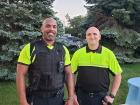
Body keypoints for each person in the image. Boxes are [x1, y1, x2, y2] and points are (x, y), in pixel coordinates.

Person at [16, 17, 75, 105]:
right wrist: (23, 101)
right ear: (42, 29)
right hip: (36, 99)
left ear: (57, 30)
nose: (51, 29)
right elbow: (20, 74)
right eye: (48, 26)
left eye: (54, 27)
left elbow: (69, 73)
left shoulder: (63, 49)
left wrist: (71, 97)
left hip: (58, 99)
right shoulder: (30, 48)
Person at [71, 27, 122, 105]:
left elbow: (118, 75)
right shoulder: (78, 53)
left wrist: (111, 96)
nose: (92, 36)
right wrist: (72, 94)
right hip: (81, 96)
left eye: (95, 34)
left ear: (99, 37)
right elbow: (71, 74)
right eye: (89, 34)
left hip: (101, 98)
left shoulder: (108, 54)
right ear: (86, 37)